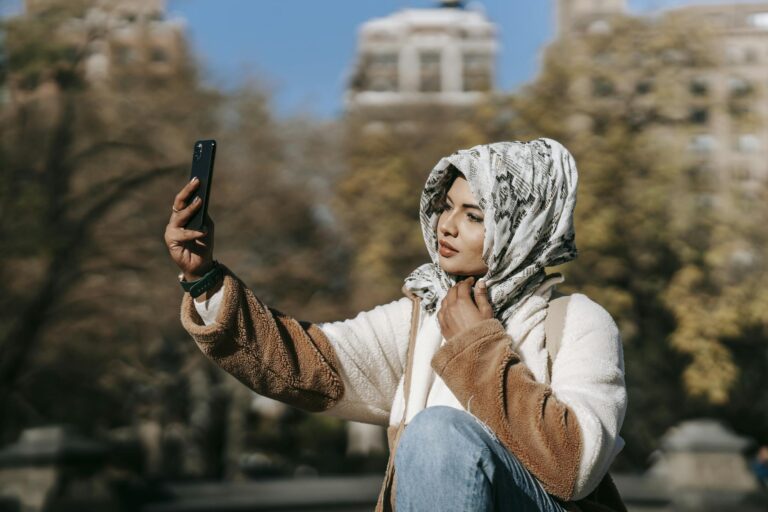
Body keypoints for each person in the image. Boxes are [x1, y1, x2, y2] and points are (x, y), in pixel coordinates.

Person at [164, 138, 628, 512]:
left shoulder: (576, 321)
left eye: (473, 216)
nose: (446, 225)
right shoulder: (423, 314)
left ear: (522, 227)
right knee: (435, 433)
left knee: (436, 432)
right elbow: (308, 363)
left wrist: (476, 345)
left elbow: (574, 466)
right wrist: (203, 279)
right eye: (447, 206)